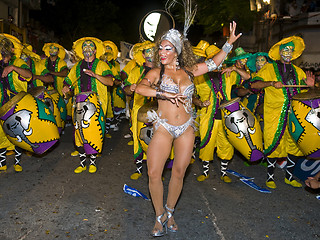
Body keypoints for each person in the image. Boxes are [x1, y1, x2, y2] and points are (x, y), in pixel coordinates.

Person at [135, 21, 241, 236]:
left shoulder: (190, 71)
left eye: (168, 48)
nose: (162, 52)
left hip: (186, 128)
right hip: (164, 126)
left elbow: (213, 63)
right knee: (154, 173)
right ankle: (158, 216)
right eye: (160, 48)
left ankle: (170, 211)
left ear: (177, 51)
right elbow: (140, 87)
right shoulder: (157, 72)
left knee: (179, 172)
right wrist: (162, 94)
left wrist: (228, 43)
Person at [250, 36, 314, 189]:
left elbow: (308, 94)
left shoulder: (299, 72)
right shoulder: (268, 68)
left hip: (294, 114)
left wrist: (311, 86)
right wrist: (271, 83)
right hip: (275, 114)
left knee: (294, 145)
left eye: (291, 50)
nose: (288, 53)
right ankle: (270, 177)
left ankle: (289, 177)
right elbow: (254, 85)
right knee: (273, 144)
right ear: (279, 52)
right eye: (285, 50)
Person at [62, 37, 114, 174]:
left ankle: (93, 162)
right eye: (85, 47)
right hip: (79, 105)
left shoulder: (103, 65)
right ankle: (82, 162)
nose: (87, 49)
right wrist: (66, 87)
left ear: (96, 50)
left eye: (90, 47)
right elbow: (68, 81)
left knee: (93, 133)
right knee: (79, 134)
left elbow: (110, 82)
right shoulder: (77, 67)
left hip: (96, 105)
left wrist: (95, 75)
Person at [0, 34, 32, 172]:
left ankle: (17, 162)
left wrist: (13, 68)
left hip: (17, 103)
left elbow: (28, 75)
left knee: (17, 132)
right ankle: (2, 163)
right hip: (2, 103)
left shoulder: (18, 62)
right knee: (1, 134)